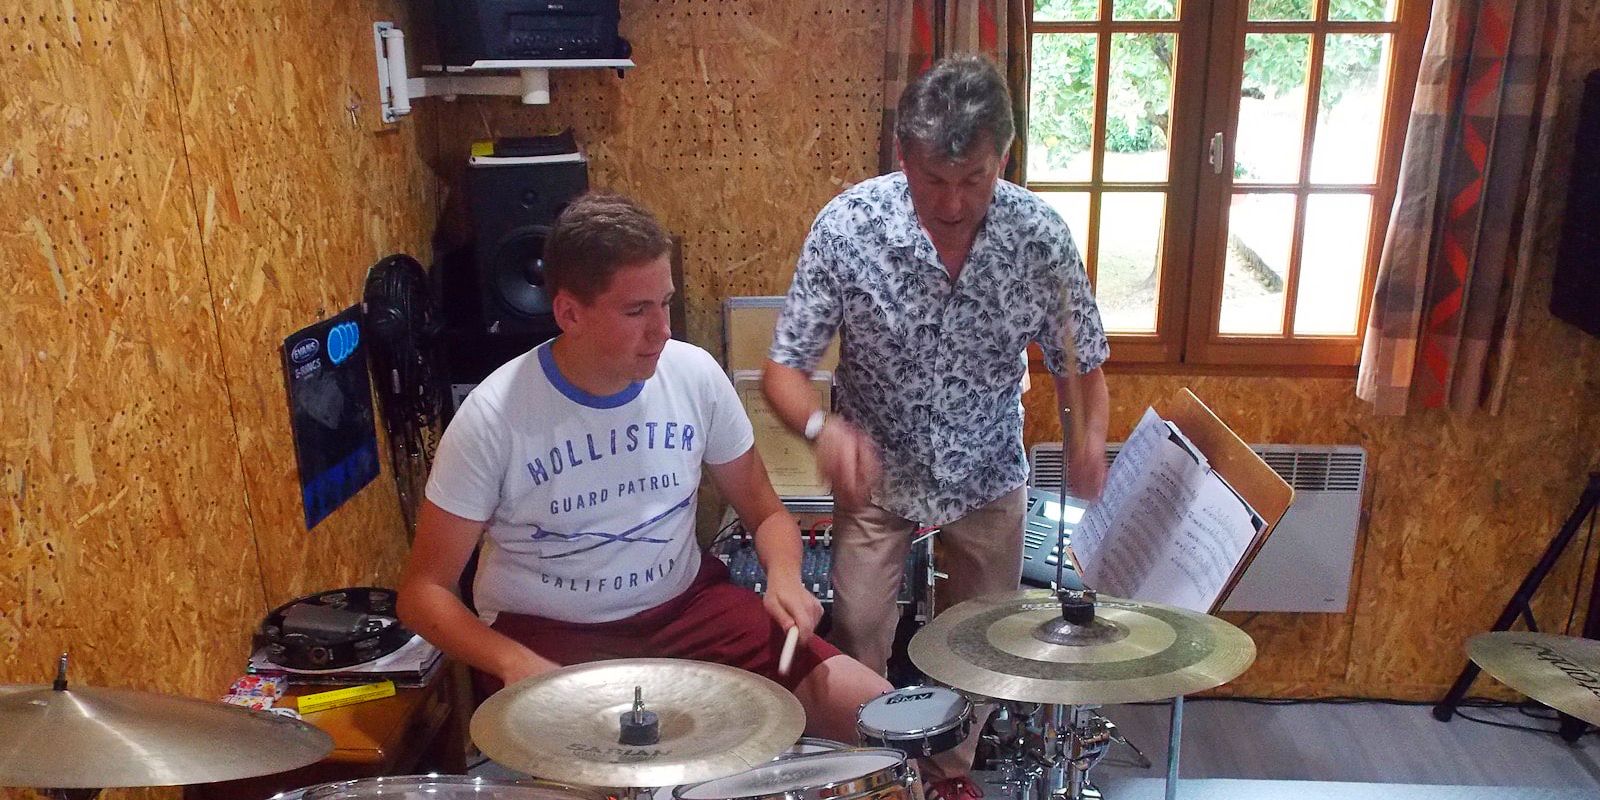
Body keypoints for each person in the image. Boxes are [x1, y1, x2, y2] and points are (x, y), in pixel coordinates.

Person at [397, 193, 890, 746]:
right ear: (569, 313)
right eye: (636, 311)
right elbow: (423, 593)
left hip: (687, 611)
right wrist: (513, 662)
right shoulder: (492, 415)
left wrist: (783, 574)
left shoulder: (693, 375)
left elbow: (766, 513)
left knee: (880, 715)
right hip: (551, 635)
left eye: (666, 303)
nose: (661, 330)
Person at [762, 54, 1112, 792]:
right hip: (877, 474)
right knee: (857, 631)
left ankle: (949, 774)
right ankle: (879, 775)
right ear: (902, 156)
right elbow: (784, 372)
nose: (953, 203)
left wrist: (1089, 439)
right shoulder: (848, 226)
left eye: (974, 179)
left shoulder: (1039, 238)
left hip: (986, 473)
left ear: (1003, 159)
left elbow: (1082, 368)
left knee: (983, 644)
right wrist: (826, 434)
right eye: (933, 181)